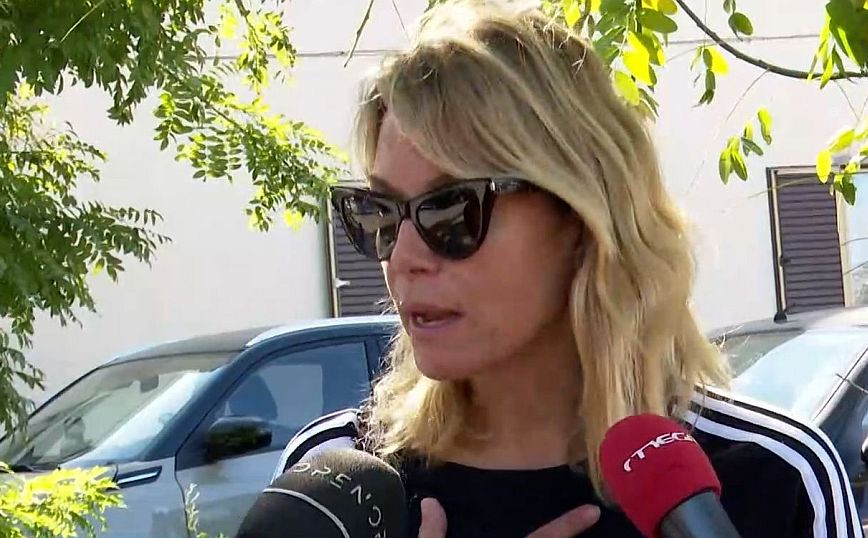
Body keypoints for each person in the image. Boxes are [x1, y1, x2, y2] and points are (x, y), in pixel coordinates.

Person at [272, 1, 862, 536]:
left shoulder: (773, 478)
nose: (402, 257)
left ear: (581, 216)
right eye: (379, 213)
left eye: (451, 210)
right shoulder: (335, 490)